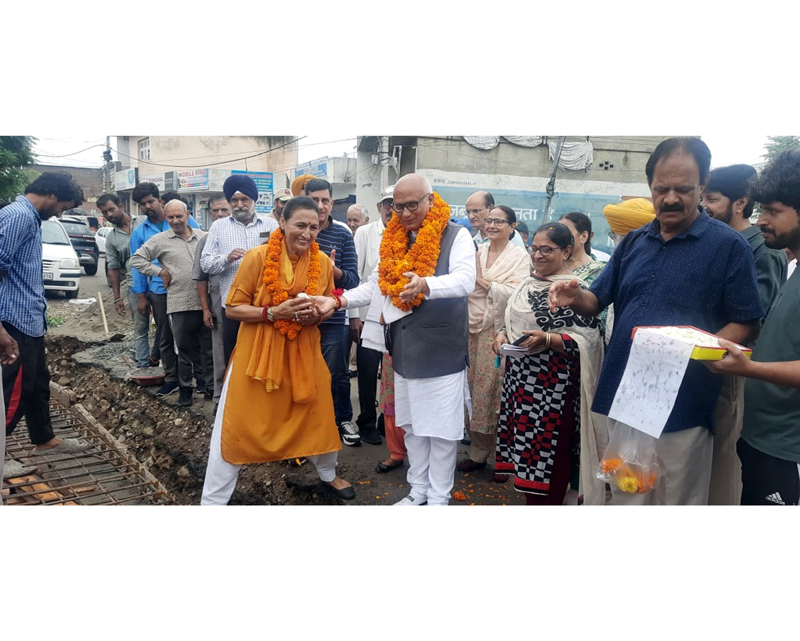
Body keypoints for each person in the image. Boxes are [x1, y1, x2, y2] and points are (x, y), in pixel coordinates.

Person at [548, 137, 764, 505]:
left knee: (677, 499)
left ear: (702, 186)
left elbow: (747, 321)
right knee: (627, 495)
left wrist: (702, 353)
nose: (671, 198)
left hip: (685, 403)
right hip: (625, 397)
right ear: (650, 187)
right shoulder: (633, 242)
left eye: (684, 188)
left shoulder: (728, 246)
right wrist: (574, 296)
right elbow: (596, 299)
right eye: (662, 188)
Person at [314, 174, 476, 506]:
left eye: (411, 205)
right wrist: (339, 300)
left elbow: (465, 280)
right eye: (397, 207)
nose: (402, 213)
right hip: (403, 350)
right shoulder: (394, 238)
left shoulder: (456, 235)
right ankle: (417, 493)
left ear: (431, 201)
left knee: (442, 432)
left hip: (442, 351)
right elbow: (374, 285)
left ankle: (439, 498)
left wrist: (426, 285)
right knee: (413, 427)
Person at [201, 196, 354, 504]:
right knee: (237, 424)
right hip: (257, 355)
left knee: (319, 414)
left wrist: (316, 315)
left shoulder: (322, 262)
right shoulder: (257, 258)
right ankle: (213, 499)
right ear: (281, 222)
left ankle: (328, 474)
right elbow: (232, 308)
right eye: (300, 225)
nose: (307, 233)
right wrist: (271, 313)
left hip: (304, 351)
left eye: (314, 227)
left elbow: (326, 306)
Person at [708, 149, 800, 505]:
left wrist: (750, 368)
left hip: (785, 447)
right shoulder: (793, 269)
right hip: (759, 435)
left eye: (774, 211)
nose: (761, 220)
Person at [492, 223, 604, 504]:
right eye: (534, 248)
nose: (538, 255)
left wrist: (550, 339)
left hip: (553, 392)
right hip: (520, 384)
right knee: (525, 454)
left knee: (551, 460)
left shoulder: (577, 292)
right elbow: (510, 321)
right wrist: (501, 334)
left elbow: (591, 340)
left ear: (567, 251)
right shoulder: (528, 284)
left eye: (547, 249)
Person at [1, 173, 90, 479]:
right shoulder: (18, 218)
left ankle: (44, 439)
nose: (61, 213)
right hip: (12, 321)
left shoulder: (29, 218)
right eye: (62, 207)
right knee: (13, 392)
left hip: (29, 319)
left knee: (38, 384)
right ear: (51, 195)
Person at [459, 205, 529, 476]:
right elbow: (466, 285)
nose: (491, 225)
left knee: (496, 393)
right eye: (489, 221)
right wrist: (477, 283)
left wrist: (486, 284)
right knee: (472, 391)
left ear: (512, 227)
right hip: (470, 330)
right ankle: (478, 453)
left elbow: (518, 294)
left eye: (499, 221)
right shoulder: (477, 252)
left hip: (499, 333)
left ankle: (504, 459)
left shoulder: (520, 258)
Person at [130, 200, 211, 408]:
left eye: (179, 216)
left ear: (188, 214)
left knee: (208, 349)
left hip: (205, 303)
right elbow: (136, 260)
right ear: (166, 217)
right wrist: (160, 272)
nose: (175, 221)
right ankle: (185, 389)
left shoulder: (204, 237)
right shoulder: (161, 240)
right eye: (170, 217)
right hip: (179, 302)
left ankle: (210, 388)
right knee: (182, 349)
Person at [303, 178, 361, 447]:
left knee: (335, 373)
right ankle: (309, 425)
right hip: (298, 317)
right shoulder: (295, 231)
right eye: (314, 200)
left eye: (325, 200)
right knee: (301, 373)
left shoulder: (342, 234)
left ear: (331, 203)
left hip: (332, 317)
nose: (320, 205)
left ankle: (343, 419)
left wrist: (331, 269)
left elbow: (352, 281)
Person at [200, 174, 278, 368]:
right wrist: (227, 258)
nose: (239, 204)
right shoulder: (218, 227)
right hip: (233, 307)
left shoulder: (272, 226)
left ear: (254, 200)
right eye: (234, 200)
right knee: (235, 358)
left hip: (265, 304)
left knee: (265, 358)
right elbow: (206, 264)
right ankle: (233, 397)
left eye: (244, 199)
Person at [353, 186, 395, 449]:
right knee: (367, 372)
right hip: (368, 315)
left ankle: (385, 422)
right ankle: (367, 420)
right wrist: (353, 317)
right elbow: (358, 275)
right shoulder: (366, 233)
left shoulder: (410, 235)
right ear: (379, 206)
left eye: (397, 204)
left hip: (397, 320)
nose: (392, 209)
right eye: (388, 203)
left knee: (391, 375)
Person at [194, 195, 231, 406]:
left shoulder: (242, 236)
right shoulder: (206, 241)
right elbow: (201, 278)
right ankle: (219, 400)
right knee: (219, 353)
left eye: (224, 210)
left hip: (246, 305)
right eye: (215, 211)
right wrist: (206, 309)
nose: (219, 215)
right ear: (210, 214)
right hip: (218, 305)